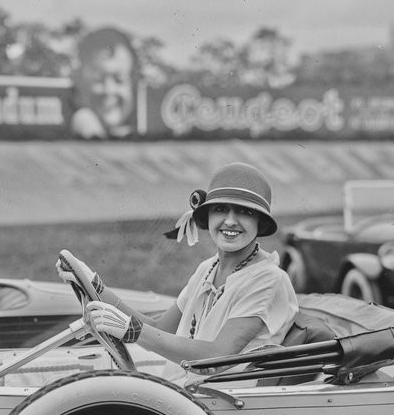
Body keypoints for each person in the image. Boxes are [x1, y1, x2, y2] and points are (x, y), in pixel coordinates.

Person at [57, 162, 298, 383]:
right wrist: (97, 288)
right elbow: (161, 330)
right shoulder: (208, 268)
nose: (230, 221)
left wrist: (132, 331)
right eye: (221, 209)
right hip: (185, 395)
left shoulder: (269, 280)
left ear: (260, 223)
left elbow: (216, 359)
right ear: (208, 216)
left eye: (245, 212)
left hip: (224, 405)